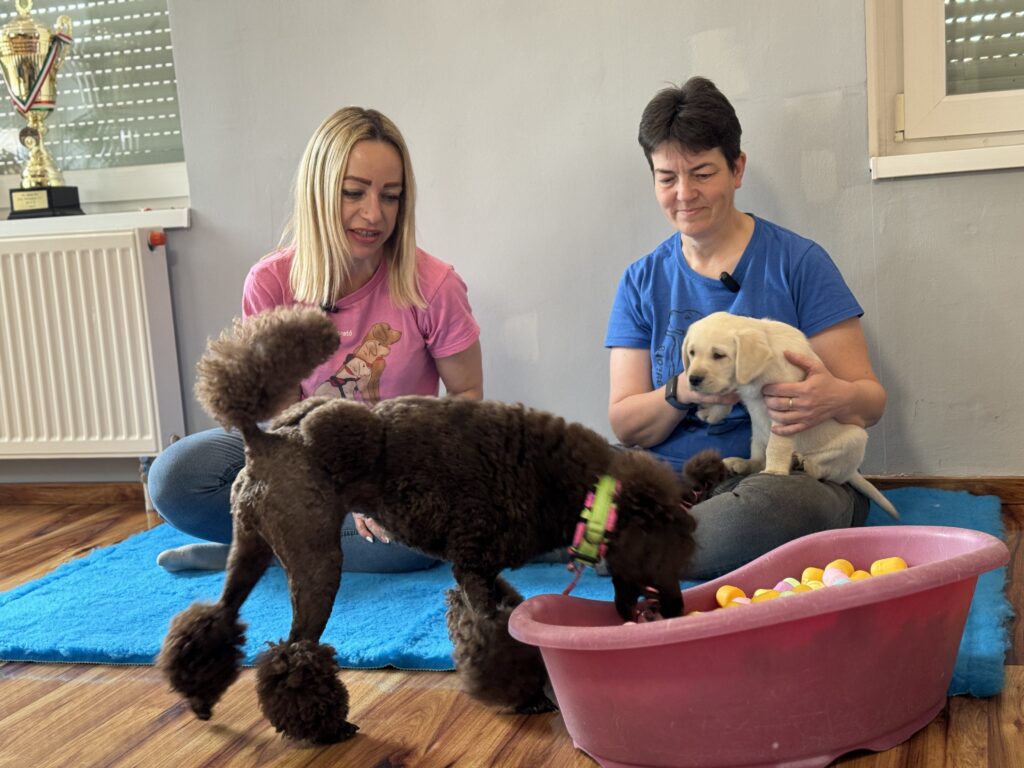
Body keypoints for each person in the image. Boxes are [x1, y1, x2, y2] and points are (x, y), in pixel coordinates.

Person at [149, 107, 483, 572]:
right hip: (304, 463)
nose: (374, 214)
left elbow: (466, 398)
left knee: (415, 536)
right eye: (353, 193)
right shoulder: (270, 282)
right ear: (319, 191)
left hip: (396, 465)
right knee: (175, 477)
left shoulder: (435, 285)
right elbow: (281, 420)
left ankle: (255, 553)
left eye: (391, 196)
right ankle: (295, 546)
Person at [605, 77, 886, 580]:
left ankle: (624, 547)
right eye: (666, 178)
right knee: (583, 475)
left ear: (737, 169)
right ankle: (655, 543)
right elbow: (625, 425)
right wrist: (687, 390)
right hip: (673, 475)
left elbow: (870, 402)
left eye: (702, 173)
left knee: (770, 510)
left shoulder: (799, 262)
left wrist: (831, 397)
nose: (684, 194)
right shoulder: (640, 279)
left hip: (780, 478)